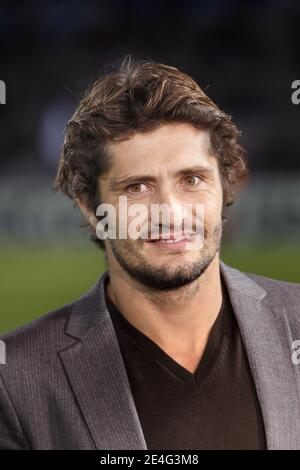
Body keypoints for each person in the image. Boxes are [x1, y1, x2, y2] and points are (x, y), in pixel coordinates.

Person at [0, 56, 300, 450]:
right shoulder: (17, 380)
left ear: (225, 191)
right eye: (136, 188)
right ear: (92, 209)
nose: (170, 212)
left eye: (192, 180)